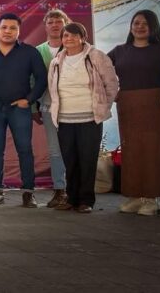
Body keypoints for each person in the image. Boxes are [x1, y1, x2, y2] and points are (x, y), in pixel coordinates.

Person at [0, 13, 48, 207]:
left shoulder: (29, 52)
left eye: (13, 28)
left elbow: (42, 79)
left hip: (19, 108)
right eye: (4, 27)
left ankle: (28, 192)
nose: (8, 31)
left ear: (19, 31)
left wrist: (29, 100)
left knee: (25, 149)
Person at [47, 23, 119, 214]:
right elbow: (53, 88)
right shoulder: (56, 62)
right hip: (64, 119)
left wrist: (103, 106)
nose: (69, 38)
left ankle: (86, 201)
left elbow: (111, 84)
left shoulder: (96, 57)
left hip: (90, 119)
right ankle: (72, 199)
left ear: (83, 37)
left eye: (73, 35)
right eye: (65, 35)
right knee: (70, 161)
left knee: (87, 160)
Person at [108, 9, 160, 216]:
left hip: (157, 105)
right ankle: (134, 196)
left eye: (145, 23)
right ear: (131, 26)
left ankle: (151, 198)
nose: (140, 27)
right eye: (136, 23)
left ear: (154, 27)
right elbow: (99, 71)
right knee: (131, 150)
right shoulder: (119, 51)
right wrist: (111, 92)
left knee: (154, 150)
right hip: (128, 105)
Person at [35, 9, 72, 208]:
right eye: (51, 22)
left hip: (74, 107)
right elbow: (32, 80)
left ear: (66, 23)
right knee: (55, 150)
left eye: (59, 21)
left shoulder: (76, 47)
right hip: (48, 106)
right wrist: (33, 107)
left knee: (74, 148)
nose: (55, 25)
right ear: (45, 26)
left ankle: (76, 189)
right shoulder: (38, 50)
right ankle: (60, 189)